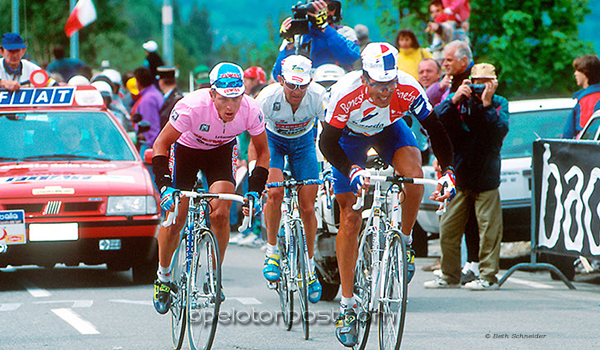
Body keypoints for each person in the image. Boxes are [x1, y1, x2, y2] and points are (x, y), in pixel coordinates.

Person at [319, 42, 455, 346]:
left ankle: (405, 240)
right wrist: (351, 170)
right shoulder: (345, 92)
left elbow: (437, 130)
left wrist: (448, 172)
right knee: (350, 217)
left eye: (390, 82)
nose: (385, 90)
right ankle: (347, 304)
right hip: (347, 141)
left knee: (414, 175)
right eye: (379, 84)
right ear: (365, 78)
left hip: (390, 131)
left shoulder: (408, 88)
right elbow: (327, 143)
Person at [151, 62, 270, 314]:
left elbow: (262, 153)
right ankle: (163, 278)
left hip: (221, 151)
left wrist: (255, 191)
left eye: (236, 98)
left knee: (221, 212)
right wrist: (164, 187)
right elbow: (160, 145)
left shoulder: (250, 109)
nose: (231, 106)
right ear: (212, 94)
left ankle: (214, 276)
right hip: (186, 150)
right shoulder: (191, 107)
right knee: (176, 215)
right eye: (225, 99)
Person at [423, 63, 508, 291]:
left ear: (494, 83)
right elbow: (435, 120)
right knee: (449, 227)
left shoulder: (499, 103)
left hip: (486, 175)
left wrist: (487, 103)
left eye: (485, 82)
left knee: (489, 229)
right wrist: (454, 99)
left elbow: (497, 132)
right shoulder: (459, 100)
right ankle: (449, 274)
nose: (479, 87)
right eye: (476, 82)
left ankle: (489, 276)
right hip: (459, 174)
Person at [256, 55, 327, 303]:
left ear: (310, 82)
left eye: (302, 85)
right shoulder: (266, 98)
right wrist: (258, 174)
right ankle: (272, 251)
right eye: (291, 85)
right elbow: (256, 141)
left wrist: (329, 165)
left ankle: (309, 268)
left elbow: (331, 135)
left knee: (308, 206)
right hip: (272, 142)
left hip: (304, 144)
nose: (297, 91)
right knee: (274, 193)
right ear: (280, 80)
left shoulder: (318, 96)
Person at [272, 0, 360, 79]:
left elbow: (349, 57)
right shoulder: (298, 36)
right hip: (307, 88)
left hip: (337, 85)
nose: (325, 11)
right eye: (319, 6)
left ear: (336, 11)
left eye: (331, 7)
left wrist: (325, 28)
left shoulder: (345, 32)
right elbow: (279, 75)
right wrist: (290, 44)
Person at [562, 54, 600, 139]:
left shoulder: (589, 100)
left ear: (586, 73)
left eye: (578, 70)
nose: (575, 74)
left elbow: (585, 134)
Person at [131, 67, 164, 149]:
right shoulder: (154, 93)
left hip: (150, 147)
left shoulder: (148, 99)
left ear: (139, 82)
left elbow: (151, 128)